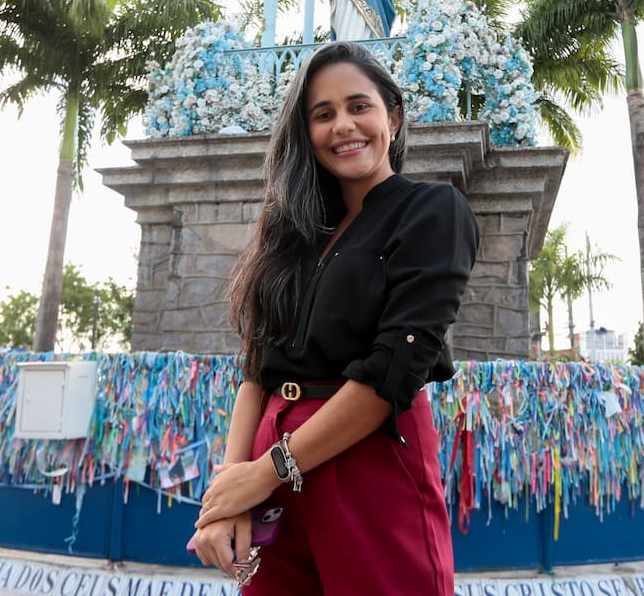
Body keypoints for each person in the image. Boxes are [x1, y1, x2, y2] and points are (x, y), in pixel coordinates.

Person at [191, 42, 478, 594]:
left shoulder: (432, 210)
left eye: (358, 106)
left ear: (391, 117)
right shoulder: (294, 235)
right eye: (323, 115)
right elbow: (258, 367)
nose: (343, 125)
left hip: (366, 456)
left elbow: (393, 368)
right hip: (267, 465)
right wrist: (228, 495)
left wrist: (263, 473)